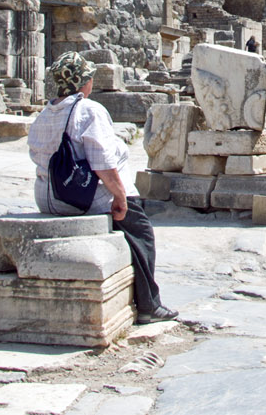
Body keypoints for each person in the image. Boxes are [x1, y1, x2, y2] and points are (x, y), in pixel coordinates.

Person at [28, 52, 176, 324]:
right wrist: (120, 197)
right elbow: (103, 164)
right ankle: (149, 305)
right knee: (141, 231)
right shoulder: (88, 110)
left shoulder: (44, 114)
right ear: (84, 82)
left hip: (48, 198)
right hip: (80, 198)